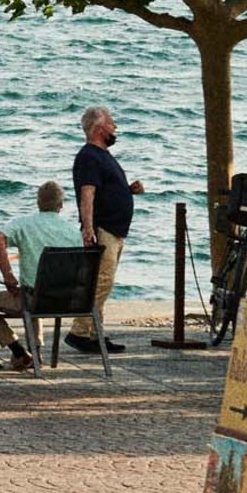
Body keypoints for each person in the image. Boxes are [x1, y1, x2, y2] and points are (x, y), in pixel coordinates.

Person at [0, 180, 81, 369]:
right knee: (33, 292)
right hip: (68, 301)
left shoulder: (24, 224)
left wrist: (8, 275)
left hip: (34, 299)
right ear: (61, 205)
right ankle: (35, 353)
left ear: (38, 202)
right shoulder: (73, 231)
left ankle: (19, 352)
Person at [69, 104, 144, 353]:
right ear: (100, 128)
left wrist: (127, 190)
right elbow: (87, 193)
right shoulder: (89, 156)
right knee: (101, 281)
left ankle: (95, 333)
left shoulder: (103, 156)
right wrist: (88, 228)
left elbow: (103, 190)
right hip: (104, 228)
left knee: (102, 281)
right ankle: (80, 331)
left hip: (115, 229)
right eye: (112, 124)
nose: (115, 128)